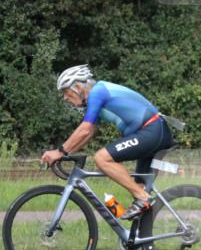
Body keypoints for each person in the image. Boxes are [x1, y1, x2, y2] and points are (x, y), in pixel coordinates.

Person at [40, 64, 176, 222]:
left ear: (77, 86)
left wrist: (59, 152)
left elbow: (85, 129)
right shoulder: (96, 97)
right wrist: (65, 153)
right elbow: (90, 132)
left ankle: (143, 197)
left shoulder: (98, 92)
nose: (64, 97)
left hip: (152, 130)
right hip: (153, 131)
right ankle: (141, 244)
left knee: (102, 158)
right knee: (139, 193)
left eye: (65, 91)